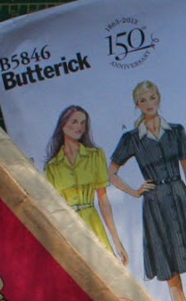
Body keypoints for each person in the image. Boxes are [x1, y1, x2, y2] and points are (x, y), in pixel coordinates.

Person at [109, 80, 186, 301]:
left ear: (159, 98)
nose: (149, 103)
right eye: (143, 100)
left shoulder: (176, 131)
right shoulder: (131, 138)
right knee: (171, 273)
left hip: (181, 199)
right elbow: (111, 174)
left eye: (152, 97)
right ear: (137, 104)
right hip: (155, 205)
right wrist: (135, 192)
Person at [43, 104, 126, 261]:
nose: (79, 127)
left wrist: (117, 242)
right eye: (74, 122)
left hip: (93, 223)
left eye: (83, 123)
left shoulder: (95, 155)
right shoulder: (52, 166)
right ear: (63, 124)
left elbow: (103, 201)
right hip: (67, 229)